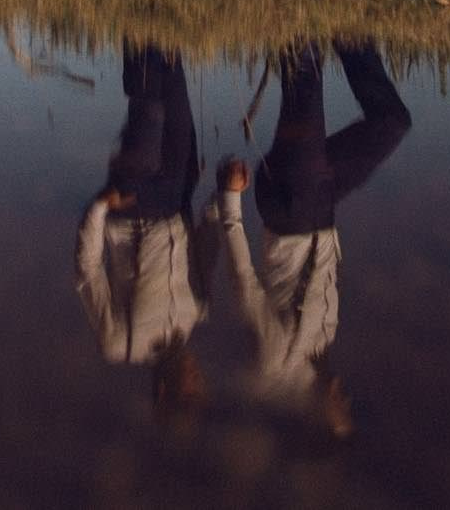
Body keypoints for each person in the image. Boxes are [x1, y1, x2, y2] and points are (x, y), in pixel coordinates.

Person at [216, 38, 411, 437]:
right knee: (392, 122)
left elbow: (245, 285)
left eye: (339, 409)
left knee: (304, 78)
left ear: (312, 414)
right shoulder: (323, 342)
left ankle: (298, 17)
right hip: (321, 204)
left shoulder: (277, 361)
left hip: (289, 202)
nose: (344, 398)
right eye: (347, 406)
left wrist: (229, 200)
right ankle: (349, 34)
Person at [75, 41, 219, 423]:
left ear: (163, 390)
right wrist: (222, 198)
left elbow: (88, 273)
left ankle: (136, 25)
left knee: (149, 109)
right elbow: (205, 248)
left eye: (190, 387)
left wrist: (99, 208)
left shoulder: (119, 344)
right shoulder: (195, 316)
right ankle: (163, 21)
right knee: (173, 82)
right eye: (201, 383)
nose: (197, 375)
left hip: (132, 206)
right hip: (177, 198)